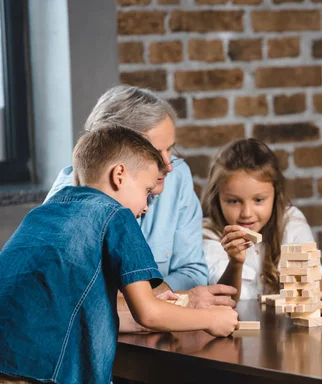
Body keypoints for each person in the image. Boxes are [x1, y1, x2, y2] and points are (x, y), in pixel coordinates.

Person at [0, 126, 238, 384]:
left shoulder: (45, 212)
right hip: (29, 373)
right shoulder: (116, 216)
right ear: (119, 175)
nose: (147, 206)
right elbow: (147, 313)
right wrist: (210, 319)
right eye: (147, 191)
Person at [45, 85, 237, 315]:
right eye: (156, 153)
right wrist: (164, 299)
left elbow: (194, 272)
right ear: (115, 159)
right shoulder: (70, 200)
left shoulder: (177, 175)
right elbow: (74, 301)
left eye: (171, 149)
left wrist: (142, 299)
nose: (168, 165)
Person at [202, 138, 322, 318]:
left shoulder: (291, 222)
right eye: (234, 201)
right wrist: (236, 263)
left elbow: (313, 273)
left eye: (258, 200)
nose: (247, 213)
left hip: (286, 339)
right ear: (217, 199)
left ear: (275, 194)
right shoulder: (209, 235)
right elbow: (222, 301)